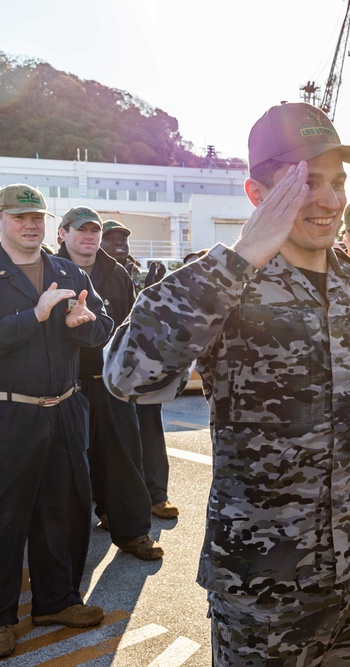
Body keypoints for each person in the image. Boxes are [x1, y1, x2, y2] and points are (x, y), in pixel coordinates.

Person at [104, 102, 350, 665]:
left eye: (338, 183)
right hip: (263, 587)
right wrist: (242, 256)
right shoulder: (221, 277)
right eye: (306, 183)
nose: (330, 200)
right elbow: (128, 374)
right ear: (256, 193)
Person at [0, 184, 112, 658]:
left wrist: (84, 323)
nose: (31, 225)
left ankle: (56, 600)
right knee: (6, 519)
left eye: (38, 217)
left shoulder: (66, 268)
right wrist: (36, 315)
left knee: (62, 512)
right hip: (11, 413)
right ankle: (3, 617)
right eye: (19, 217)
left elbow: (104, 328)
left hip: (65, 407)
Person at [56, 207, 163, 560]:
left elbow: (131, 324)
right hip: (66, 385)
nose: (89, 236)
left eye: (94, 230)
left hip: (111, 380)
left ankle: (133, 533)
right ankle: (67, 546)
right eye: (81, 230)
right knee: (72, 464)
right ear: (63, 234)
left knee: (125, 458)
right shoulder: (48, 271)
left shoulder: (116, 273)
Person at [100, 219, 178, 521]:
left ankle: (157, 495)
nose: (119, 244)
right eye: (112, 239)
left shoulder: (141, 273)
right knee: (115, 440)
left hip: (141, 367)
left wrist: (154, 290)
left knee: (151, 430)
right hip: (109, 370)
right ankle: (111, 502)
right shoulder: (90, 273)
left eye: (123, 239)